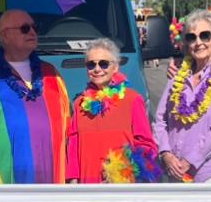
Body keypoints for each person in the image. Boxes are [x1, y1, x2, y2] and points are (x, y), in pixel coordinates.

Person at [0, 9, 70, 183]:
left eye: (34, 27)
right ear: (5, 36)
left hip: (48, 176)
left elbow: (68, 121)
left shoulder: (51, 72)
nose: (32, 32)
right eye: (24, 28)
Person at [153, 9, 211, 183]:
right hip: (171, 169)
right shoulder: (177, 78)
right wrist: (165, 153)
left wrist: (190, 160)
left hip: (205, 174)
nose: (198, 42)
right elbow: (160, 119)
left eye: (205, 36)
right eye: (191, 37)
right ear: (186, 44)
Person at [66, 38, 157, 183]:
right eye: (91, 64)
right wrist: (73, 178)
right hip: (87, 186)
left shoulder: (132, 100)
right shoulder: (80, 104)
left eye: (103, 63)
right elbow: (73, 145)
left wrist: (123, 171)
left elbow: (147, 145)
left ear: (115, 67)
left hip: (121, 186)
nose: (97, 69)